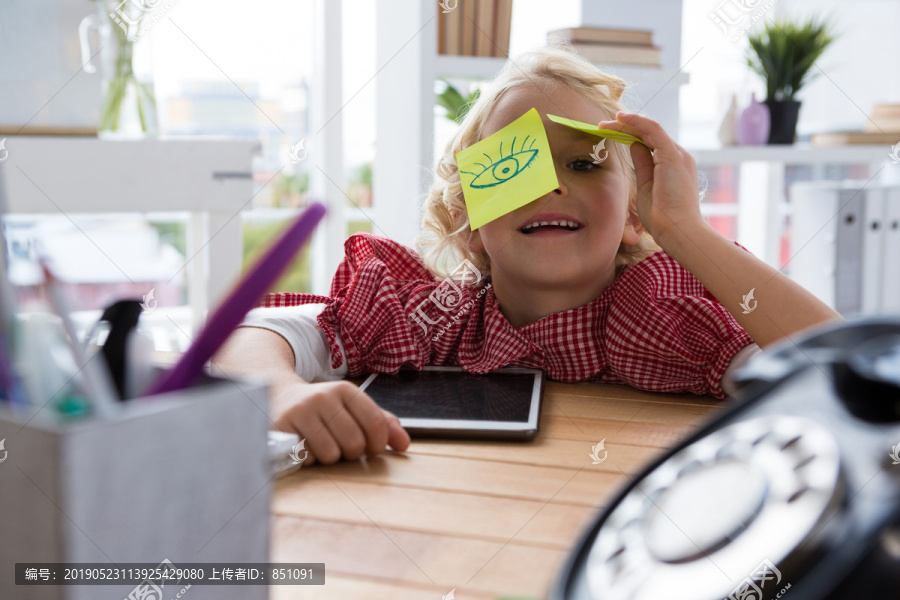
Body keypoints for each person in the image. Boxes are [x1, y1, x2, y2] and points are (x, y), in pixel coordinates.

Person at [213, 46, 842, 465]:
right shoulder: (435, 314)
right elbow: (258, 332)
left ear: (633, 217)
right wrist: (280, 393)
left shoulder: (661, 316)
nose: (550, 184)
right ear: (467, 223)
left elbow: (840, 368)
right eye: (515, 167)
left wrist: (684, 230)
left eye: (583, 162)